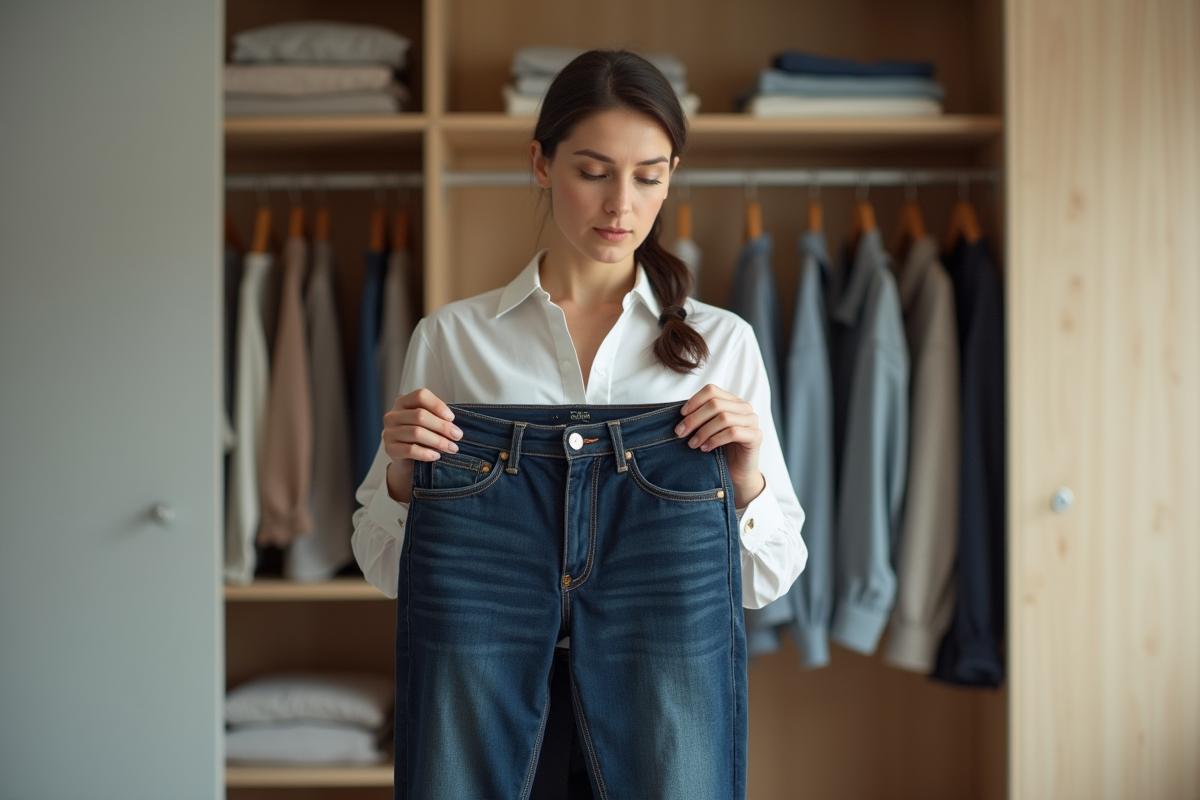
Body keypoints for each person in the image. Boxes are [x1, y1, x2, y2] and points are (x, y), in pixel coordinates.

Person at [352, 49, 806, 799]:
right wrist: (404, 478)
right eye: (593, 171)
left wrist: (745, 479)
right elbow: (386, 569)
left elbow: (768, 579)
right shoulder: (451, 340)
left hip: (657, 662)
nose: (620, 205)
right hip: (482, 657)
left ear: (671, 177)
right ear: (541, 163)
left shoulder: (722, 345)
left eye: (649, 176)